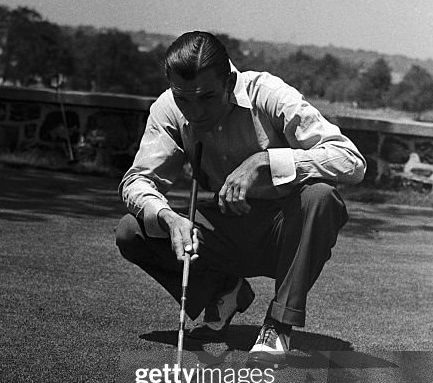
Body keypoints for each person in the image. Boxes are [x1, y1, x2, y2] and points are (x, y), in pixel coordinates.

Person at [115, 31, 366, 357]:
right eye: (183, 99)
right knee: (131, 230)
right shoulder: (167, 108)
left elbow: (352, 162)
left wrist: (265, 161)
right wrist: (168, 217)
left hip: (286, 230)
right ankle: (224, 290)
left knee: (321, 197)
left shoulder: (269, 93)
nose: (194, 112)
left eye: (206, 97)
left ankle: (278, 325)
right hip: (225, 230)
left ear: (229, 80)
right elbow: (137, 182)